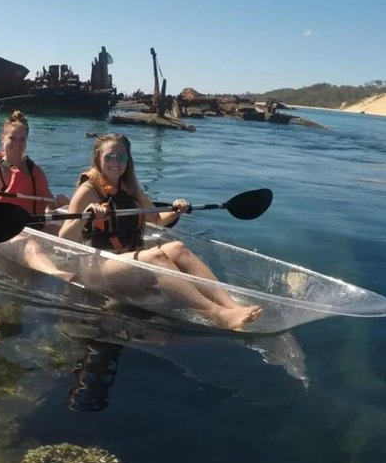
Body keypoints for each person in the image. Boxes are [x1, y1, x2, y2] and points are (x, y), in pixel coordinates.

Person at [58, 133, 262, 330]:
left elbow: (156, 219)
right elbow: (64, 238)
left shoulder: (131, 188)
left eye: (122, 157)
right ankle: (217, 314)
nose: (116, 162)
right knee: (156, 256)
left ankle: (232, 306)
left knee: (178, 248)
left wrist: (176, 211)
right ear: (98, 159)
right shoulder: (87, 191)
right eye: (109, 156)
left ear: (128, 160)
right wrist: (88, 214)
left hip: (126, 259)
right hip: (97, 267)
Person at [0, 110, 71, 279]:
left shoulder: (34, 171)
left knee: (69, 231)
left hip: (35, 226)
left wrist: (59, 202)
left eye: (22, 139)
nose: (17, 144)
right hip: (6, 230)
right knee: (30, 246)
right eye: (12, 138)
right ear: (2, 138)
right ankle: (60, 276)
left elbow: (49, 204)